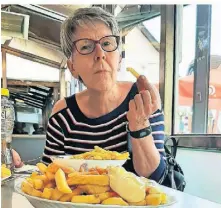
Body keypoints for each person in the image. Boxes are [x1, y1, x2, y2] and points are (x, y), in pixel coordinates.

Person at [41, 7, 166, 183]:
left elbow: (155, 179)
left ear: (119, 58)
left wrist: (140, 126)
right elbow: (48, 178)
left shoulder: (141, 98)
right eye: (86, 47)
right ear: (72, 67)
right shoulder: (63, 114)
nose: (100, 54)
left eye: (107, 44)